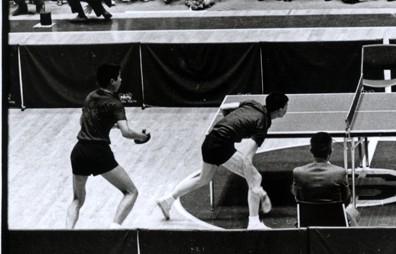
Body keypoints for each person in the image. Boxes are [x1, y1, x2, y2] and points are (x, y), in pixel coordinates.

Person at [157, 93, 289, 230]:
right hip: (220, 146)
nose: (287, 108)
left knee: (204, 178)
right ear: (280, 110)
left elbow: (225, 108)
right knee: (256, 177)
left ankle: (167, 201)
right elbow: (247, 159)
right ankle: (254, 223)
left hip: (210, 140)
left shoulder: (253, 104)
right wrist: (255, 186)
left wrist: (233, 126)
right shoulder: (262, 124)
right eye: (286, 106)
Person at [67, 63, 150, 228]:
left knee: (77, 200)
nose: (121, 80)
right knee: (131, 192)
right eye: (119, 77)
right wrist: (142, 136)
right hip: (99, 153)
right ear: (112, 81)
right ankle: (114, 230)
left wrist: (110, 125)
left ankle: (66, 234)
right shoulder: (115, 104)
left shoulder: (90, 96)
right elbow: (126, 132)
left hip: (79, 151)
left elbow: (83, 121)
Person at [292, 132, 360, 226]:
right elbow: (346, 199)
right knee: (354, 212)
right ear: (330, 150)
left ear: (311, 149)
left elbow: (298, 198)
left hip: (308, 223)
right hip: (335, 223)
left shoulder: (298, 172)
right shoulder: (339, 172)